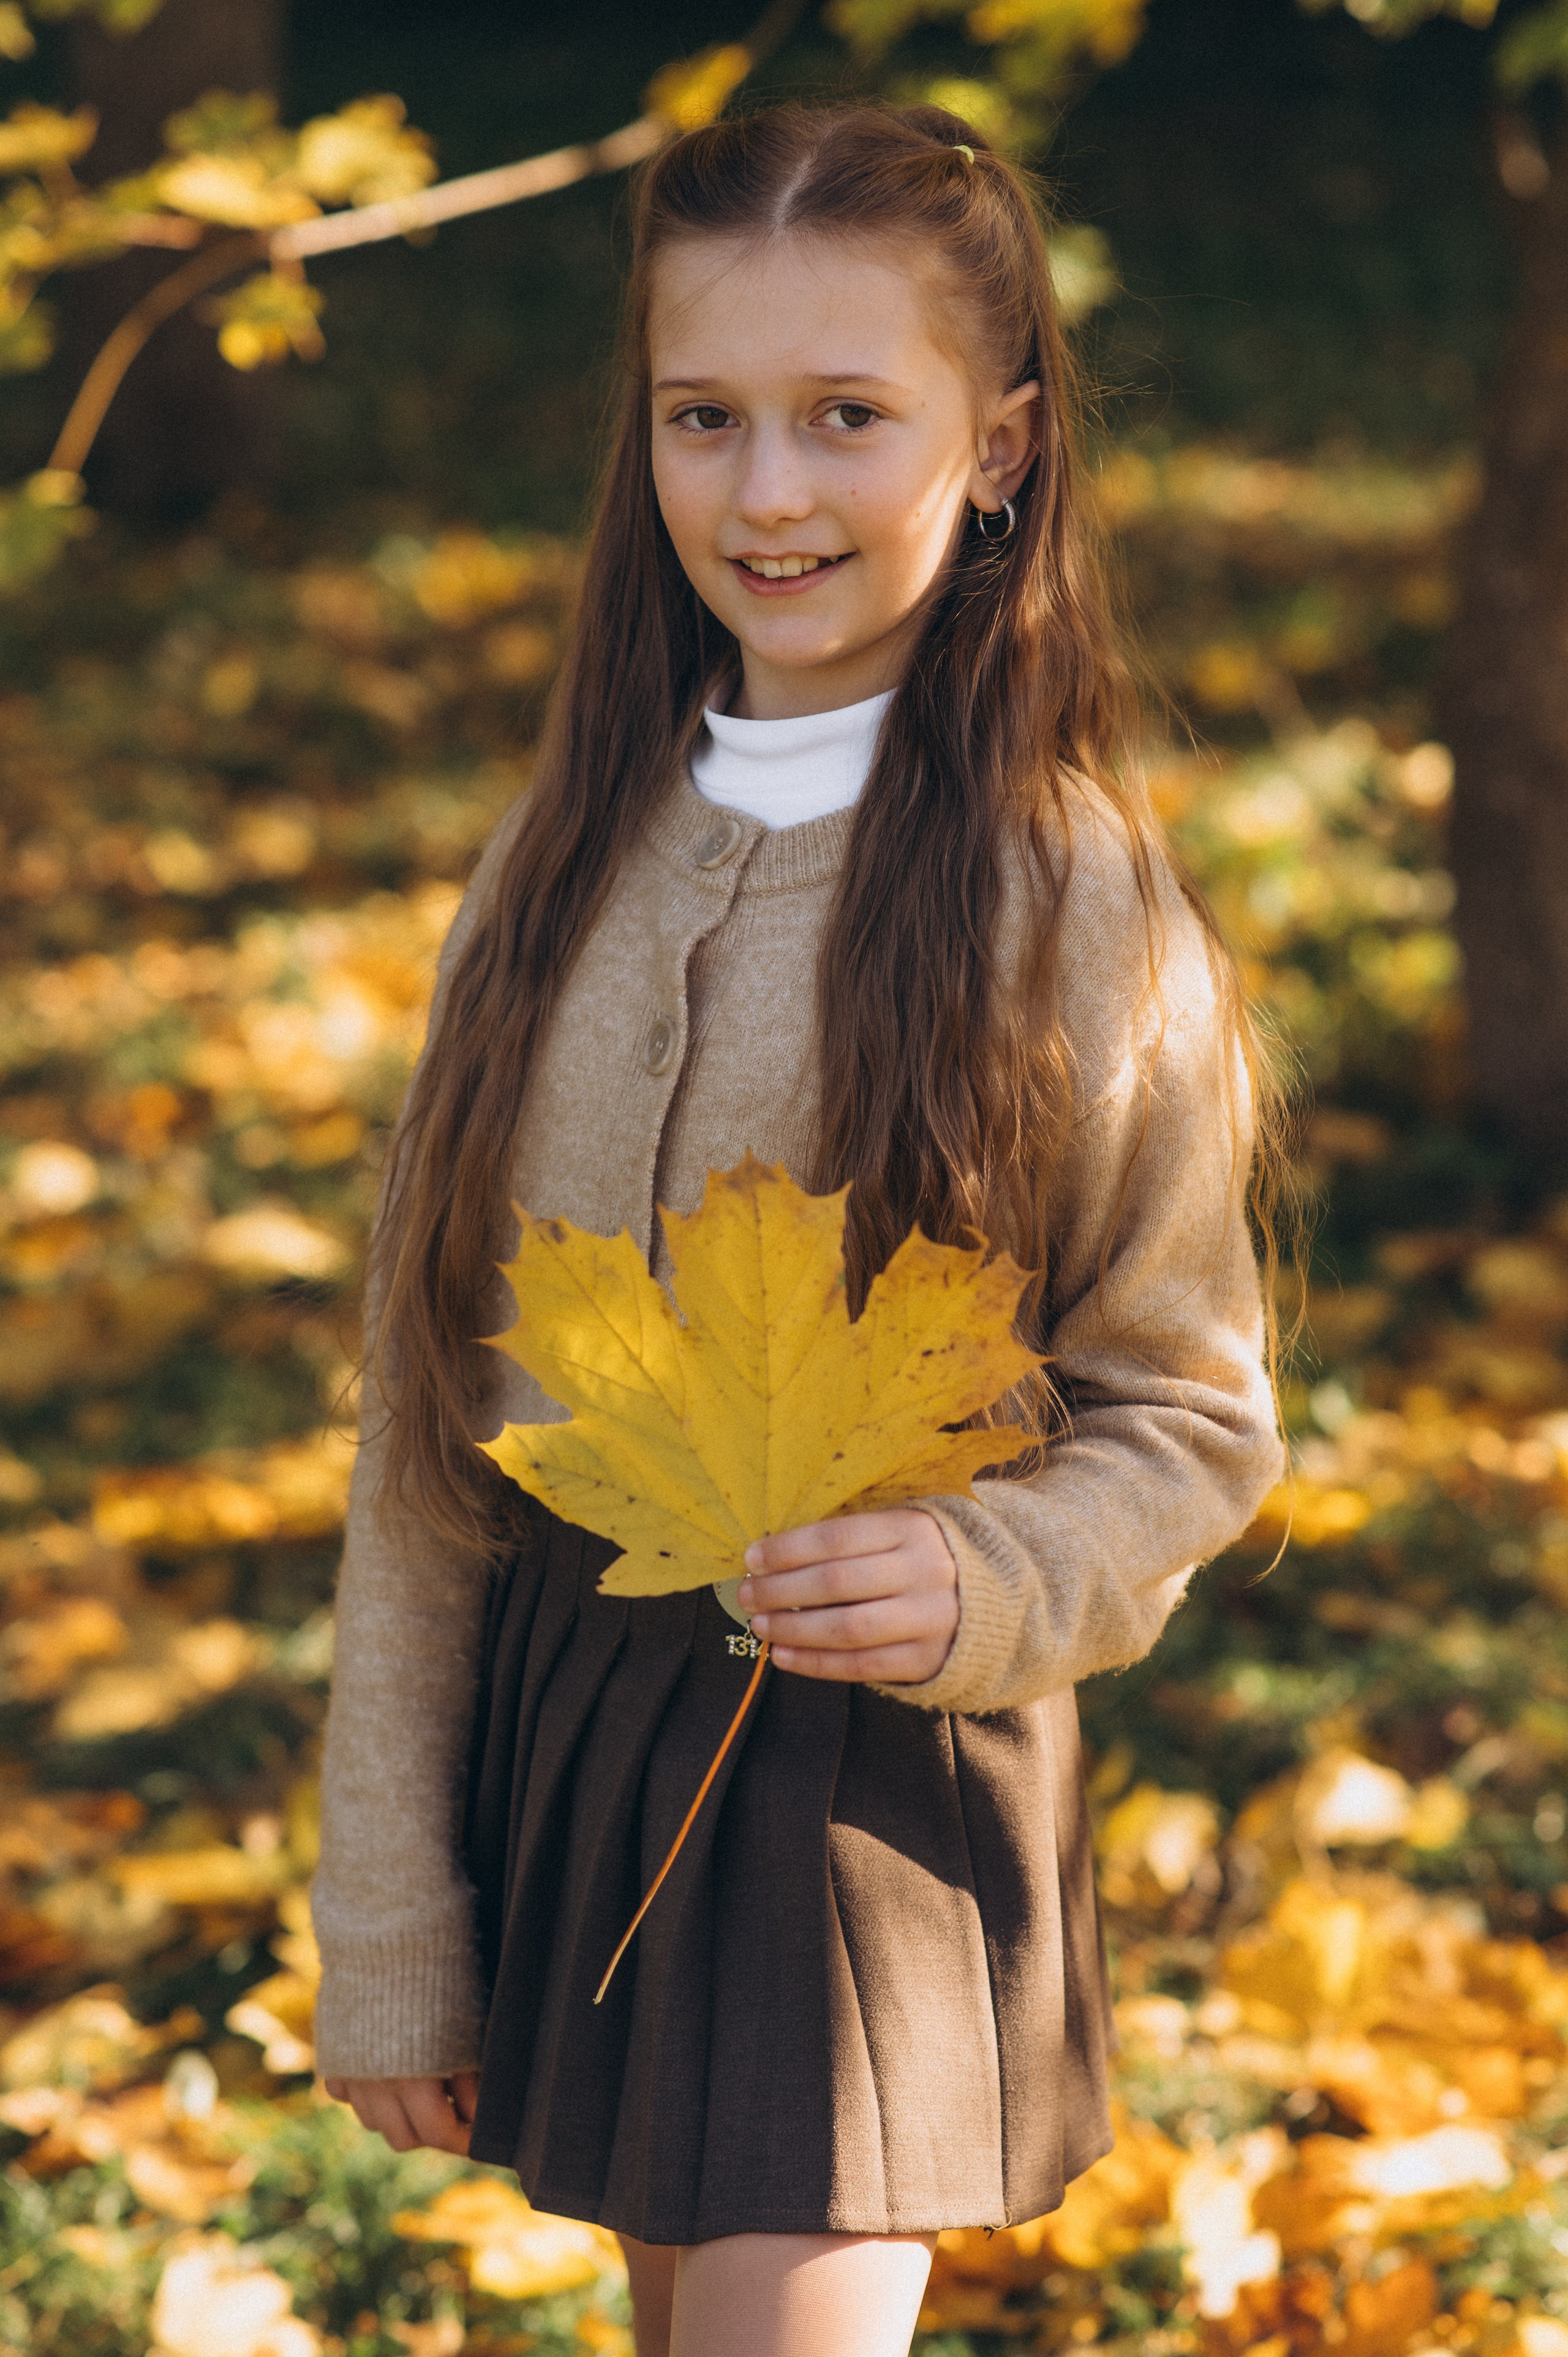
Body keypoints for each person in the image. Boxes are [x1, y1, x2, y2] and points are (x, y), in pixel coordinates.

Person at [311, 101, 1286, 2357]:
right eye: (705, 419)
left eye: (849, 418)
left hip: (868, 1776)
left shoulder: (1075, 902)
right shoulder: (551, 874)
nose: (768, 494)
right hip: (576, 1726)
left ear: (1004, 443)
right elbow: (429, 1442)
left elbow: (1190, 1409)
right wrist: (393, 1917)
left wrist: (988, 1572)